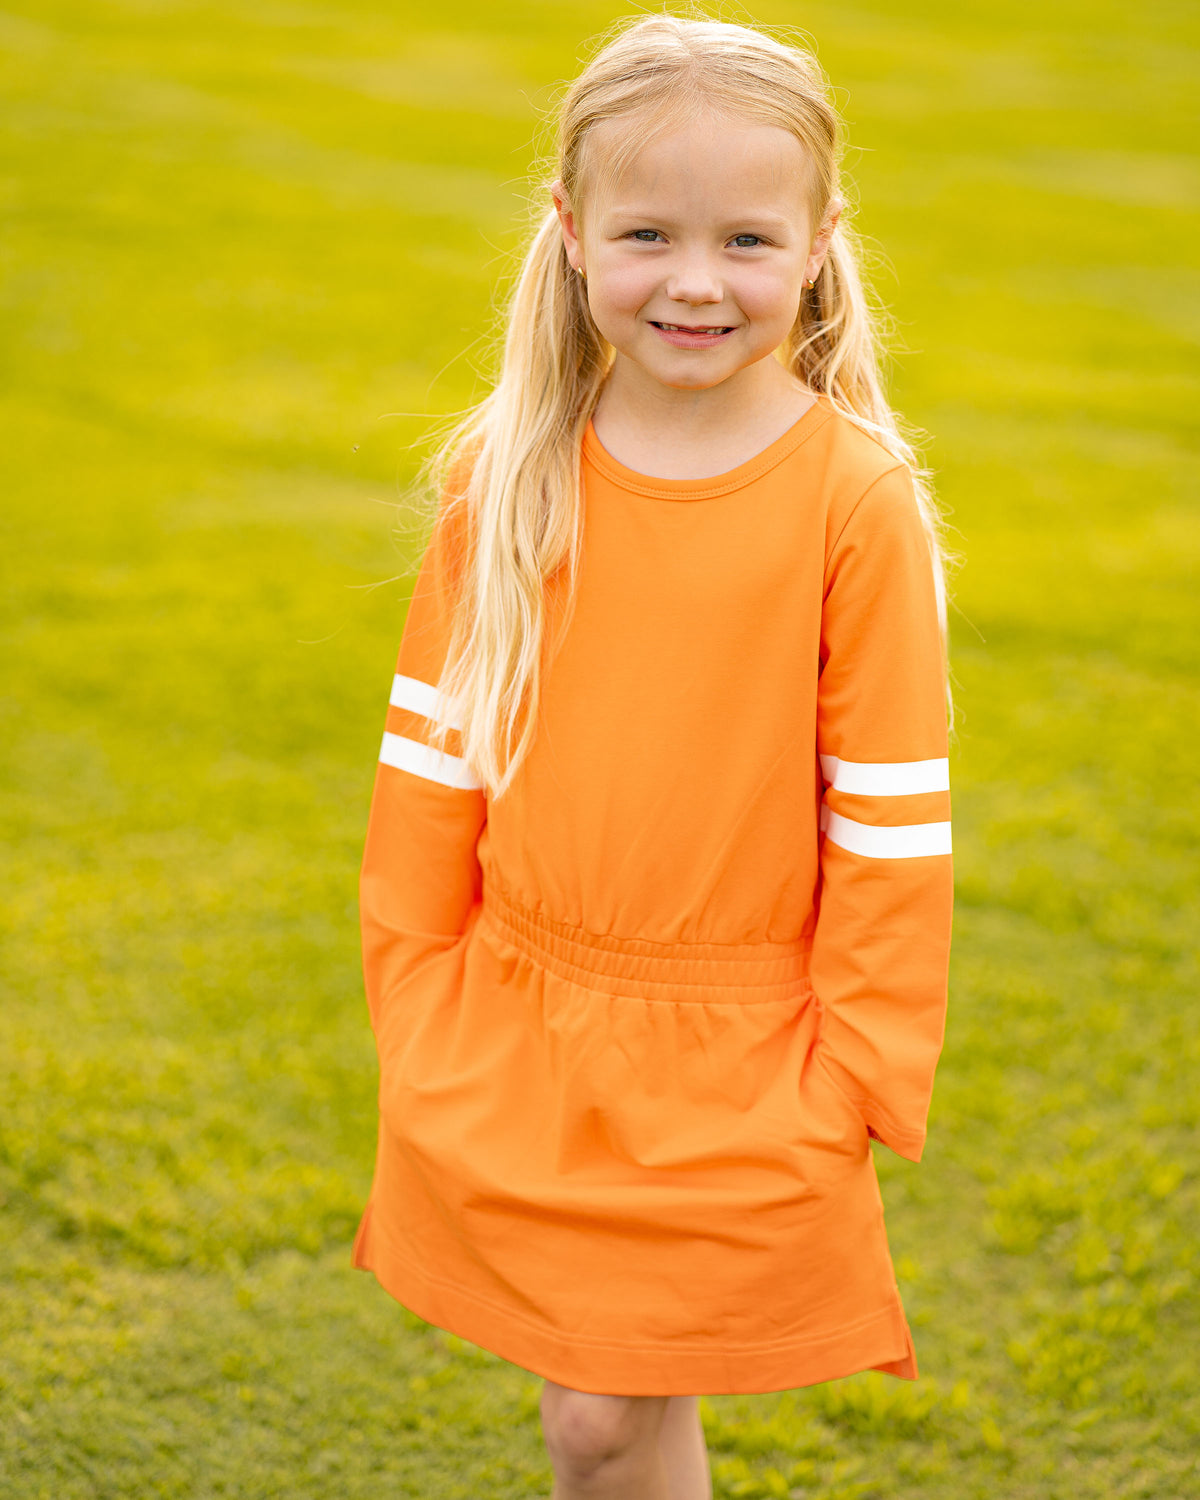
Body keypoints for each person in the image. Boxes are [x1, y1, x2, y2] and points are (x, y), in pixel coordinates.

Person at [351, 11, 954, 1498]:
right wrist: (414, 986)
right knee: (607, 1417)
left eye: (747, 239)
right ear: (567, 233)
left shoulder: (853, 502)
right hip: (522, 1022)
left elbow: (890, 817)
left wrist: (856, 1074)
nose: (695, 282)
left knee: (603, 1416)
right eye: (646, 234)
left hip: (746, 1058)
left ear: (820, 242)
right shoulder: (510, 469)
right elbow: (436, 751)